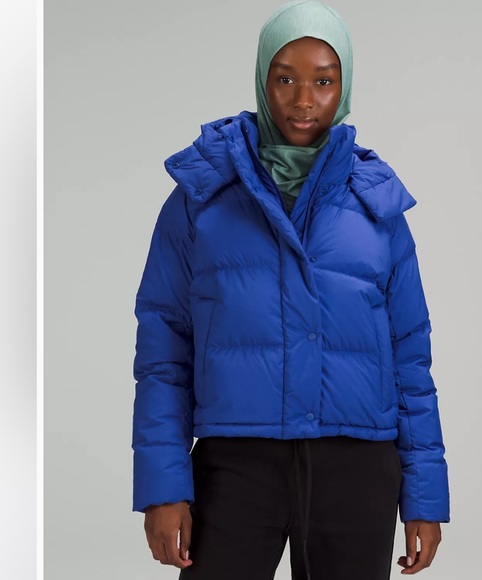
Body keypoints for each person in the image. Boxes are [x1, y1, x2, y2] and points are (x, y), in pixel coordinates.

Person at [131, 2, 450, 579]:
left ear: (344, 86)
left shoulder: (377, 204)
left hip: (357, 468)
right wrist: (163, 487)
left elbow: (410, 356)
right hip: (235, 465)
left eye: (323, 81)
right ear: (262, 80)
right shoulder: (200, 200)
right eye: (285, 79)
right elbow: (164, 351)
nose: (304, 100)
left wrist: (424, 497)